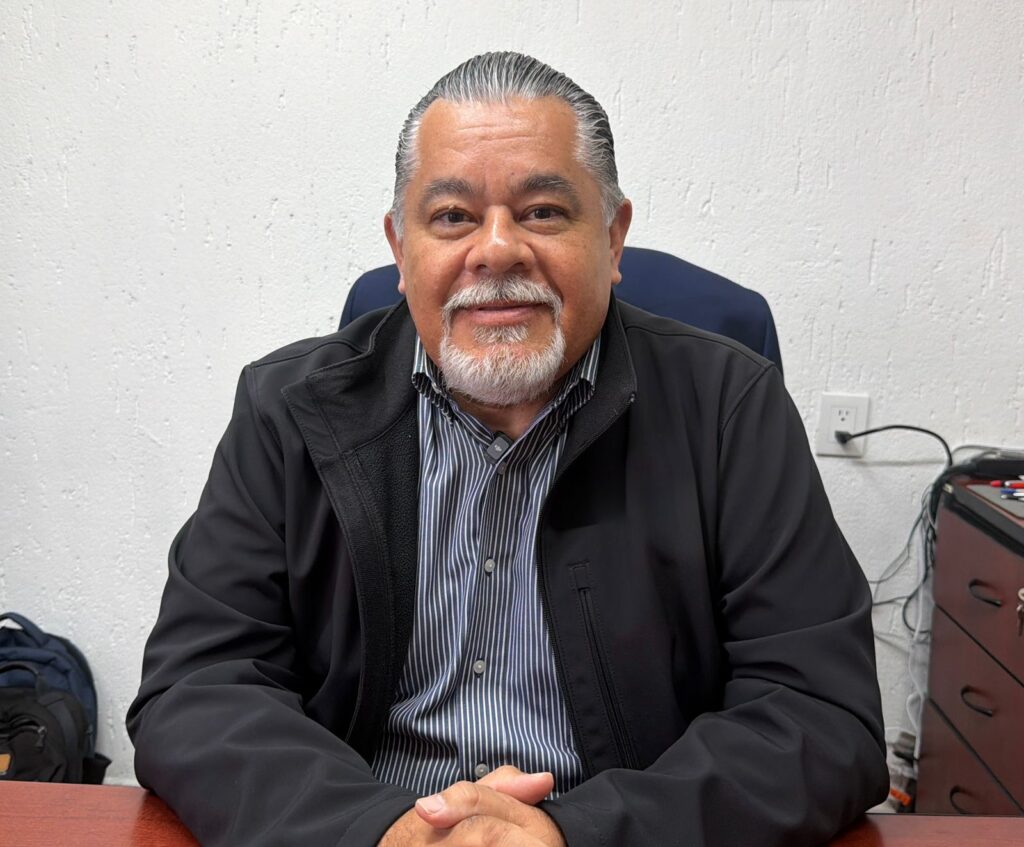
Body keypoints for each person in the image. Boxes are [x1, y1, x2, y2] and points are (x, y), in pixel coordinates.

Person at [128, 52, 888, 846]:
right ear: (400, 248)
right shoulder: (287, 409)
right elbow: (198, 687)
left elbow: (820, 716)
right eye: (453, 216)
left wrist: (573, 834)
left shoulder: (731, 407)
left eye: (544, 212)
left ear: (613, 238)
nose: (496, 250)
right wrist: (380, 828)